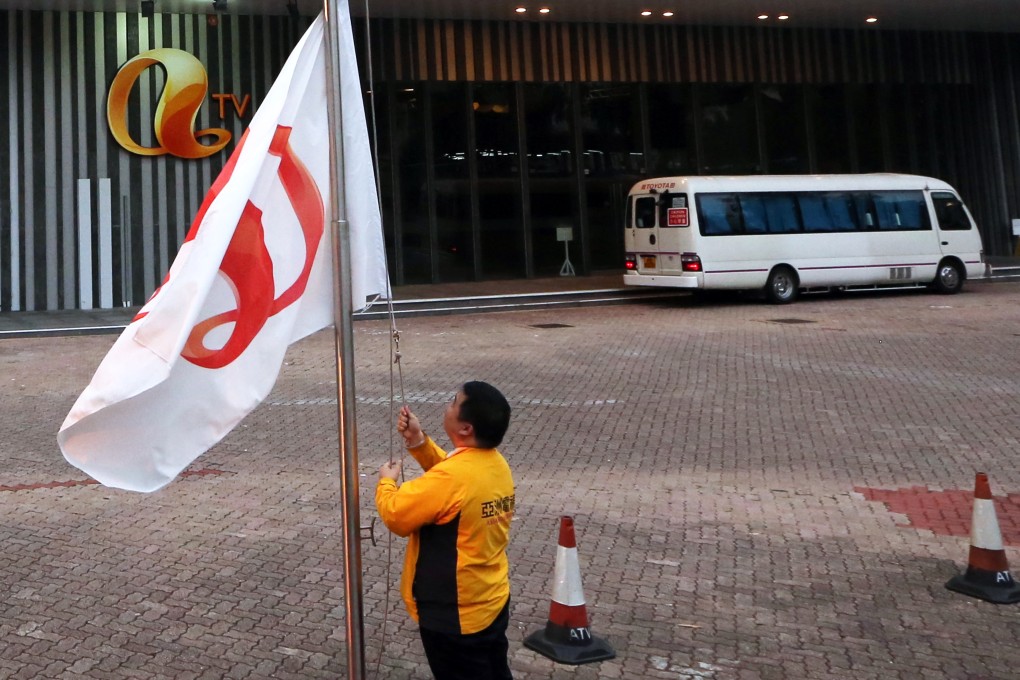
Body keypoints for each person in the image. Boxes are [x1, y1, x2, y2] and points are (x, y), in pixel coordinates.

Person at [376, 381, 515, 680]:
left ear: (466, 428)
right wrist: (418, 441)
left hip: (455, 616)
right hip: (490, 601)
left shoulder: (454, 478)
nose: (447, 405)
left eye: (453, 401)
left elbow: (396, 515)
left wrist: (386, 482)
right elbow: (452, 478)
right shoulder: (494, 463)